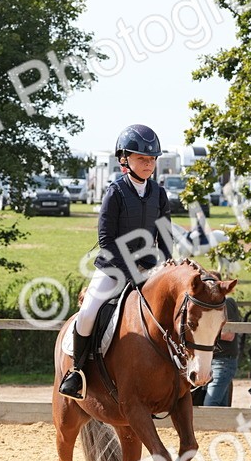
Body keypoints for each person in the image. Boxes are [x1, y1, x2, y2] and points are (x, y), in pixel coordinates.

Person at [59, 124, 170, 399]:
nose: (148, 164)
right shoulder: (116, 192)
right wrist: (130, 272)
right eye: (142, 158)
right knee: (88, 312)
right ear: (124, 159)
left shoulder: (159, 193)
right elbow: (106, 240)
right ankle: (76, 372)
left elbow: (166, 237)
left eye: (152, 159)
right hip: (114, 269)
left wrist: (168, 268)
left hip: (150, 268)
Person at [202, 296, 241, 407]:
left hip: (223, 361)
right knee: (221, 405)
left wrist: (203, 332)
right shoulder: (208, 303)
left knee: (210, 403)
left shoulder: (226, 303)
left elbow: (229, 334)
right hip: (211, 360)